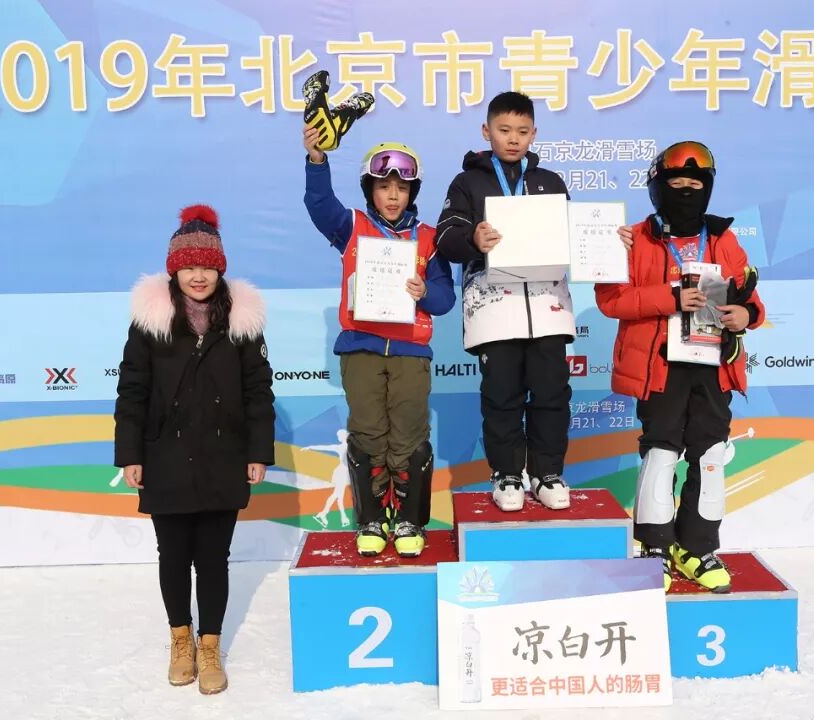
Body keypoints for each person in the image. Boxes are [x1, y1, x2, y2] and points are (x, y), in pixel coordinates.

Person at [114, 204, 276, 693]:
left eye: (207, 266)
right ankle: (180, 638)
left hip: (224, 457)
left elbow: (258, 391)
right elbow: (132, 390)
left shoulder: (242, 322)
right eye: (189, 267)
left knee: (213, 558)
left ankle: (209, 645)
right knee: (172, 555)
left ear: (220, 269)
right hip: (164, 457)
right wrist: (130, 455)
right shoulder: (150, 323)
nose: (198, 276)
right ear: (174, 270)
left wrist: (258, 451)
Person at [596, 141, 766, 593]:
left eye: (696, 183)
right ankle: (654, 548)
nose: (687, 190)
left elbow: (751, 300)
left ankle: (697, 548)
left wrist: (745, 314)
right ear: (658, 187)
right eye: (677, 183)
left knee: (710, 455)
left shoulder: (724, 239)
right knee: (661, 452)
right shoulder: (634, 237)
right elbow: (611, 301)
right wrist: (669, 297)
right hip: (661, 366)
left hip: (713, 364)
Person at [303, 127, 456, 557]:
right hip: (361, 348)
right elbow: (319, 205)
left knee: (408, 436)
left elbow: (446, 299)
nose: (393, 196)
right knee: (368, 434)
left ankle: (409, 519)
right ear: (369, 189)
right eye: (384, 186)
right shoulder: (351, 226)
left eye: (401, 188)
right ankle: (371, 518)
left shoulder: (429, 238)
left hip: (410, 353)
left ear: (412, 192)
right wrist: (316, 161)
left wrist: (424, 291)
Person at [435, 90, 575, 512]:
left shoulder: (551, 183)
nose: (513, 139)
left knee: (552, 394)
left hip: (548, 309)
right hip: (494, 312)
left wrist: (602, 241)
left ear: (534, 133)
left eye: (522, 131)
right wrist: (472, 238)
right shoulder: (467, 183)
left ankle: (548, 473)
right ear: (486, 131)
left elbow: (572, 237)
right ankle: (508, 473)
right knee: (502, 396)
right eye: (504, 130)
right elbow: (445, 239)